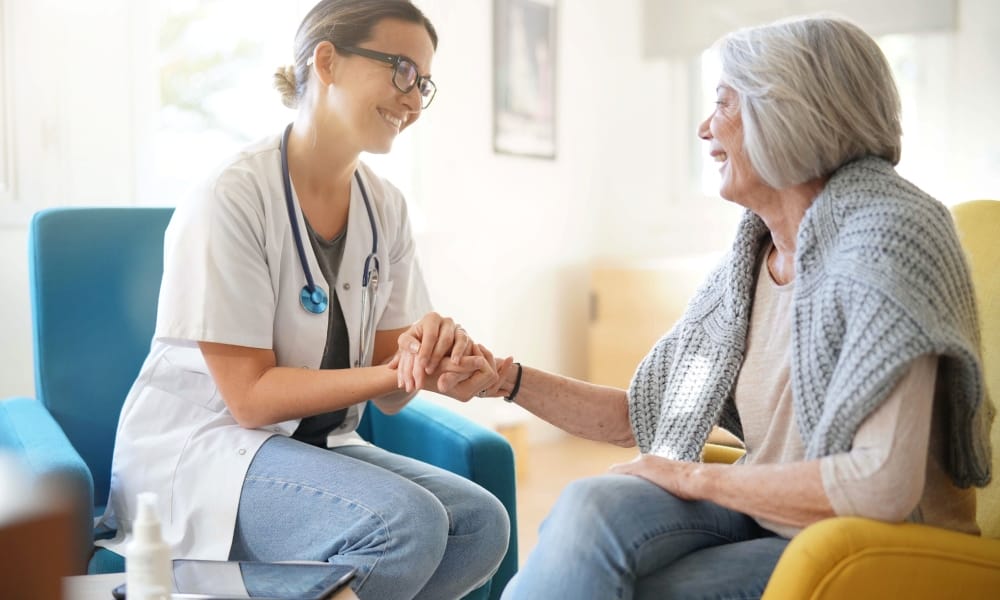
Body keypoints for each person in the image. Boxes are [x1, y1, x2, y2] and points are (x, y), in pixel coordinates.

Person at [408, 15, 991, 599]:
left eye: (725, 105)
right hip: (768, 513)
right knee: (592, 503)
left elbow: (880, 488)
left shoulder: (891, 240)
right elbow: (645, 416)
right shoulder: (748, 262)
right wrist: (504, 379)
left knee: (646, 588)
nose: (704, 128)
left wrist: (692, 476)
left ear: (789, 112)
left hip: (878, 542)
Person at [97, 2, 510, 599]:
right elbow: (251, 399)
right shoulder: (231, 197)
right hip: (209, 453)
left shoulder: (384, 208)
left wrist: (437, 360)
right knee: (405, 525)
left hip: (313, 449)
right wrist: (392, 370)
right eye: (400, 70)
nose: (414, 100)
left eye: (424, 83)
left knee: (479, 525)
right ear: (327, 61)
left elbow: (393, 389)